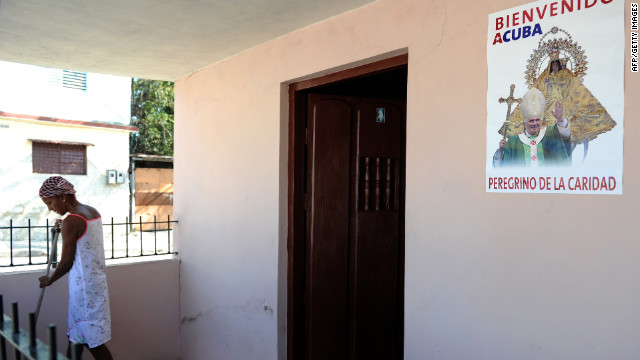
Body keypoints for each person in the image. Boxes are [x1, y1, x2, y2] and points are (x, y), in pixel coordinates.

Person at [38, 176, 113, 360]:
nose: (50, 208)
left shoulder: (72, 221)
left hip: (84, 291)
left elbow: (66, 263)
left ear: (62, 196)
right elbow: (84, 238)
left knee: (90, 341)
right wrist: (65, 226)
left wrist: (50, 280)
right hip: (95, 285)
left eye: (49, 202)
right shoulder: (91, 211)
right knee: (75, 338)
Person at [494, 88, 572, 167]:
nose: (535, 123)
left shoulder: (549, 134)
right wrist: (500, 150)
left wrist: (560, 119)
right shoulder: (513, 142)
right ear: (524, 124)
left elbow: (563, 135)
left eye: (537, 120)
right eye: (531, 121)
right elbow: (500, 167)